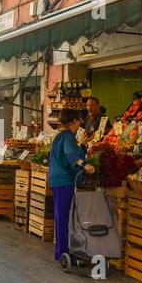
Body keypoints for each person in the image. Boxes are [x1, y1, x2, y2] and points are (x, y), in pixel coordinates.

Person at [48, 109, 96, 264]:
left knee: (60, 216)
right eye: (79, 120)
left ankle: (61, 253)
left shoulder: (59, 135)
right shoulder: (68, 136)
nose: (80, 123)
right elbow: (70, 154)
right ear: (73, 121)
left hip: (56, 180)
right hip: (64, 181)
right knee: (64, 218)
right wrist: (85, 165)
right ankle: (65, 254)